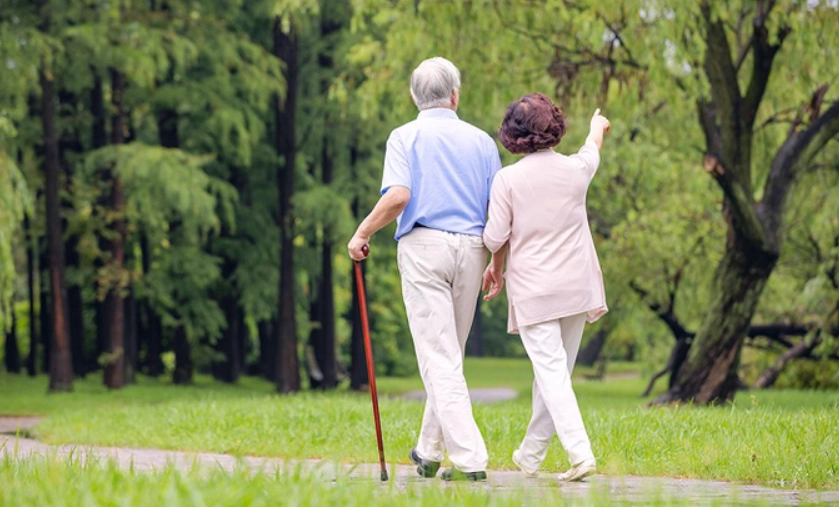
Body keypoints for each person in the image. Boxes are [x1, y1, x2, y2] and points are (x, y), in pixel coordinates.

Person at [347, 57, 502, 481]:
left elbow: (399, 196)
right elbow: (498, 210)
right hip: (473, 249)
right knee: (449, 355)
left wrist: (362, 232)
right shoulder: (483, 142)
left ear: (415, 97)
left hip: (424, 246)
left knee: (439, 357)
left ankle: (470, 459)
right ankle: (429, 452)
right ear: (455, 95)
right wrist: (497, 262)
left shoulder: (404, 136)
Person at [482, 93, 610, 482]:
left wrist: (494, 260)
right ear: (553, 127)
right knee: (554, 374)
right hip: (577, 287)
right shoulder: (575, 170)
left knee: (552, 374)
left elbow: (493, 237)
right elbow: (592, 149)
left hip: (536, 290)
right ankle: (531, 454)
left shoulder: (508, 179)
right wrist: (596, 126)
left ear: (513, 133)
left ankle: (580, 453)